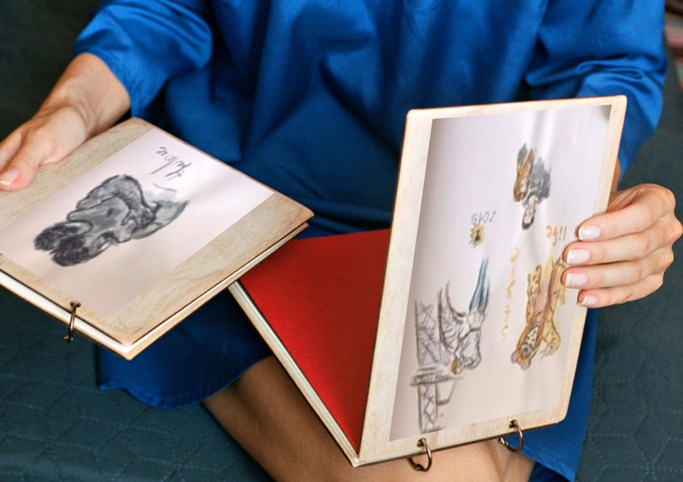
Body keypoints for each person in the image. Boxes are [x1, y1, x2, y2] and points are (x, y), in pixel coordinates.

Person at [0, 1, 680, 480]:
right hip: (242, 197)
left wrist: (589, 205)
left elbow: (607, 64)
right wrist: (74, 107)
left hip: (475, 216)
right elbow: (164, 10)